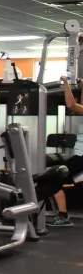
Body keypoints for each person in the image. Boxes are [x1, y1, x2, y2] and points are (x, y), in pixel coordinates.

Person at [53, 76, 83, 227]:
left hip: (81, 158)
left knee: (52, 179)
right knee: (56, 178)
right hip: (79, 157)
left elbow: (71, 105)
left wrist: (65, 83)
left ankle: (63, 216)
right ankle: (63, 214)